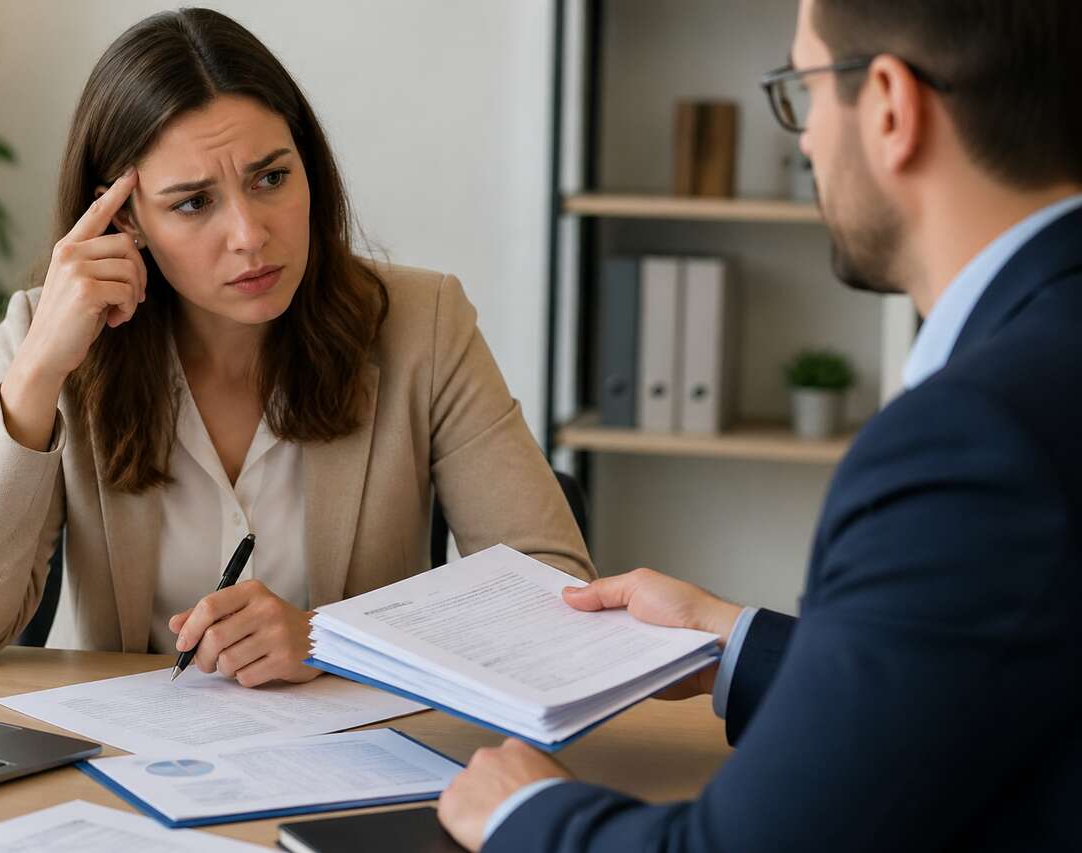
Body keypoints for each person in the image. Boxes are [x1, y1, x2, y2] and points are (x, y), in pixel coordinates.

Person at [439, 1, 1082, 849]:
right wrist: (731, 642)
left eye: (805, 90)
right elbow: (986, 680)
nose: (806, 139)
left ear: (890, 107)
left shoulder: (972, 438)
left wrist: (526, 815)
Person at [0, 8, 593, 686]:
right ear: (125, 218)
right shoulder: (48, 334)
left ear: (308, 168)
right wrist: (38, 372)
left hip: (359, 769)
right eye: (194, 202)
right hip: (121, 767)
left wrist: (332, 640)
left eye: (271, 178)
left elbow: (555, 593)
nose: (250, 234)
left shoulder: (424, 323)